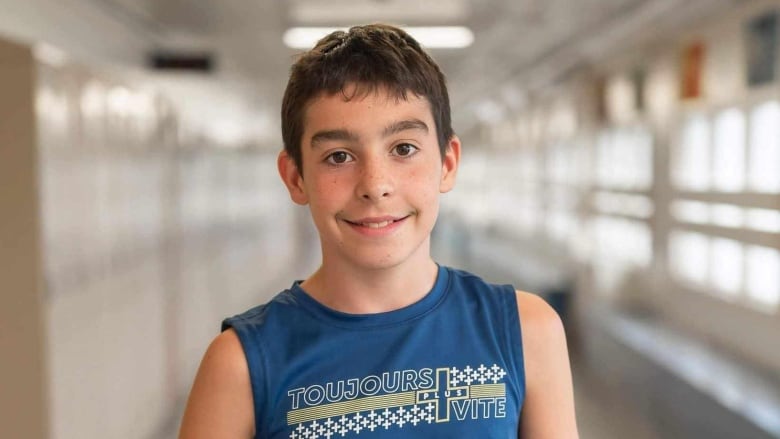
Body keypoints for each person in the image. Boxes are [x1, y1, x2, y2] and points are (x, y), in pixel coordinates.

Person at [178, 23, 578, 439]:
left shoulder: (523, 332)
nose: (374, 184)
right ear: (296, 177)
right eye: (338, 156)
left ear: (447, 163)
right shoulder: (242, 365)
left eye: (403, 149)